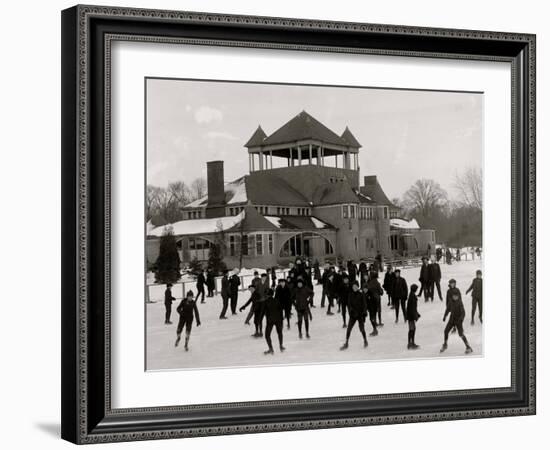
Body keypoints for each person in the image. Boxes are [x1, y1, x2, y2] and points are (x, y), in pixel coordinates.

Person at [440, 279, 473, 354]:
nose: (455, 297)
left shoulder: (460, 303)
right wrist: (445, 316)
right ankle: (445, 344)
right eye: (454, 296)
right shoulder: (451, 301)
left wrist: (460, 320)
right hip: (452, 319)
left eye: (456, 296)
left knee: (461, 334)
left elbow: (463, 313)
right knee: (446, 331)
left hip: (458, 320)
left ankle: (468, 347)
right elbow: (448, 309)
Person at [340, 281, 368, 350]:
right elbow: (349, 305)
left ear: (358, 287)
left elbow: (364, 305)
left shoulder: (361, 294)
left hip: (360, 315)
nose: (354, 288)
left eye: (356, 286)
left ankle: (365, 340)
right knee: (349, 329)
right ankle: (346, 343)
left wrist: (364, 314)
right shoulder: (350, 295)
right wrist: (351, 312)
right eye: (353, 287)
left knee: (362, 329)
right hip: (353, 315)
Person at [263, 288, 285, 354]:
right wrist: (281, 320)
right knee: (279, 332)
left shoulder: (265, 302)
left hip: (270, 320)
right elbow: (281, 311)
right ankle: (281, 346)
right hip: (278, 319)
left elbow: (262, 312)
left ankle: (271, 349)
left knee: (267, 335)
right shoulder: (277, 300)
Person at [406, 284, 421, 349]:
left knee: (412, 329)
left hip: (410, 315)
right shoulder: (412, 296)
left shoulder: (411, 295)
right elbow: (412, 308)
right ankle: (410, 343)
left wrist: (417, 314)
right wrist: (415, 316)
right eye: (416, 289)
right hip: (411, 316)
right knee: (412, 330)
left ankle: (411, 342)